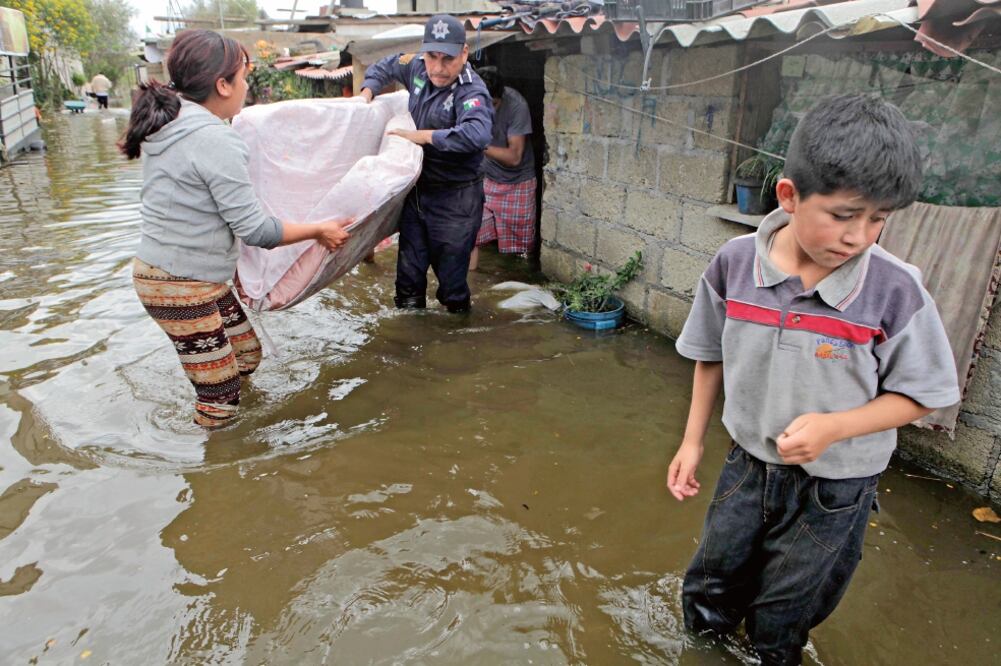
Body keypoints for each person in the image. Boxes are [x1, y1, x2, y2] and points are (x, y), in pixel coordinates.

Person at [666, 94, 960, 664]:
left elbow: (924, 394)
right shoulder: (733, 264)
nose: (861, 237)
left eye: (878, 219)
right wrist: (692, 441)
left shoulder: (894, 290)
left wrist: (837, 426)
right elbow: (708, 354)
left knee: (785, 619)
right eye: (846, 216)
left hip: (836, 487)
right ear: (789, 196)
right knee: (707, 592)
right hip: (748, 465)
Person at [119, 30, 351, 428]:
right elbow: (256, 230)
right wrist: (318, 230)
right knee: (221, 398)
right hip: (178, 284)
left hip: (188, 275)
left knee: (246, 356)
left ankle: (215, 388)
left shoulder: (172, 118)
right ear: (222, 85)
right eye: (243, 77)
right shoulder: (212, 138)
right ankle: (215, 471)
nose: (247, 87)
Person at [359, 14, 493, 313]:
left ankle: (457, 340)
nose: (438, 68)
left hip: (456, 199)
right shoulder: (416, 66)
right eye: (432, 57)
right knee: (408, 278)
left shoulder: (471, 90)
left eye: (448, 59)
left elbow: (477, 134)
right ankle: (410, 343)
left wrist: (421, 136)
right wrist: (367, 93)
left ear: (464, 53)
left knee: (452, 286)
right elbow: (385, 65)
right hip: (418, 193)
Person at [469, 66, 536, 271]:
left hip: (517, 182)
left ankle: (518, 279)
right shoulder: (469, 101)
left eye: (494, 105)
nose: (487, 111)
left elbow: (515, 157)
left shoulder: (517, 106)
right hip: (486, 178)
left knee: (521, 249)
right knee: (472, 236)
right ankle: (470, 288)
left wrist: (478, 144)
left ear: (501, 97)